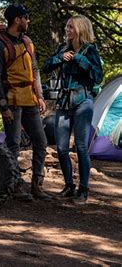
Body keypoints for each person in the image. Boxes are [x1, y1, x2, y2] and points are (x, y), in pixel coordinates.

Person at [0, 4, 51, 201]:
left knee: (40, 141)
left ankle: (37, 185)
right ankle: (15, 185)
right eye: (26, 17)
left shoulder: (27, 42)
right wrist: (3, 106)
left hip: (30, 99)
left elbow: (35, 70)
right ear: (17, 20)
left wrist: (40, 96)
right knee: (13, 144)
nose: (28, 21)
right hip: (12, 100)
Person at [43, 15, 103, 203]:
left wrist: (78, 58)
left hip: (83, 101)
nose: (67, 30)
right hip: (63, 102)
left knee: (81, 146)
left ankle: (83, 190)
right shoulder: (63, 48)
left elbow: (97, 75)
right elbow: (46, 66)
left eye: (70, 27)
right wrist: (60, 58)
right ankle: (69, 185)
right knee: (61, 147)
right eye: (67, 27)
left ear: (80, 29)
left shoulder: (90, 50)